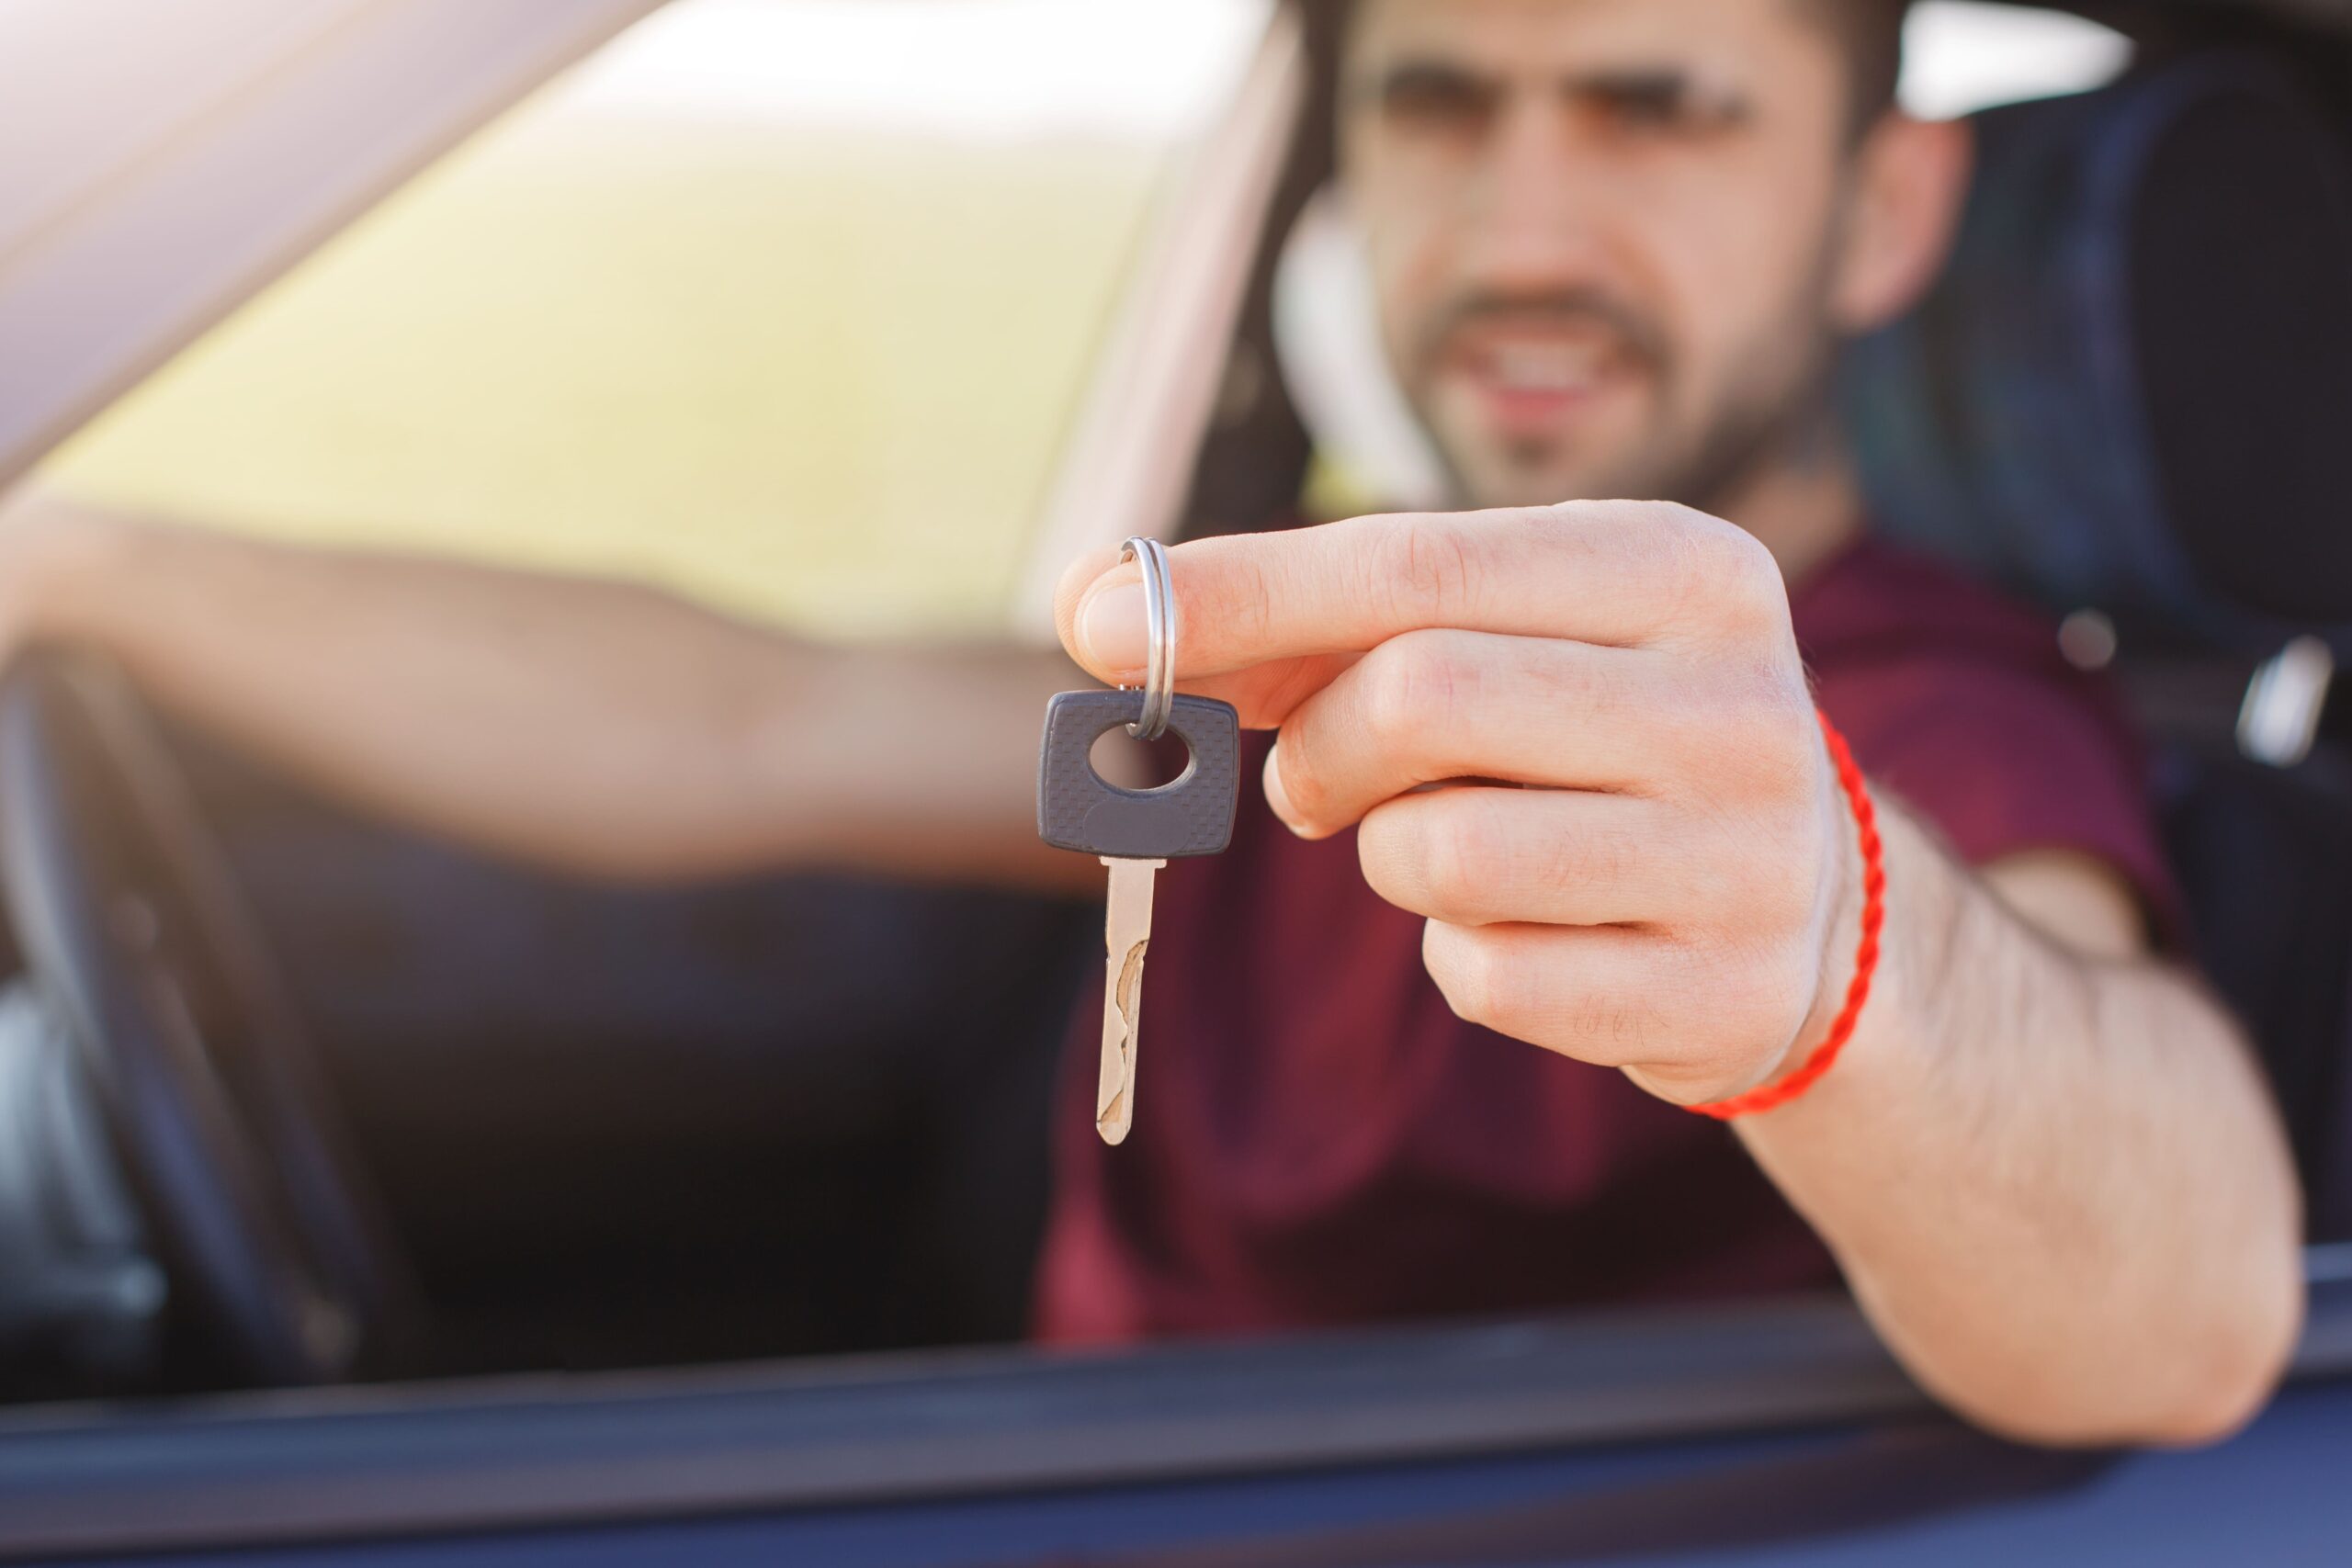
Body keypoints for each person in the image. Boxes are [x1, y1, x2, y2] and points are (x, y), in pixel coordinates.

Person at [0, 0, 2301, 1443]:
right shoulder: (1309, 631)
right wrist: (89, 565)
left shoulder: (1918, 720)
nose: (1516, 221)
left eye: (1651, 111)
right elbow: (745, 718)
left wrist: (1841, 940)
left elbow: (2184, 1295)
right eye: (1434, 103)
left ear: (1880, 208)